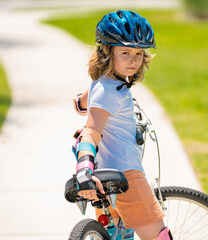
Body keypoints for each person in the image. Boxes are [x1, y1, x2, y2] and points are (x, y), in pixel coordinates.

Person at [73, 10, 173, 240]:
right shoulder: (108, 90)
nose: (133, 60)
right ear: (107, 53)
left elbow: (85, 103)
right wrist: (83, 170)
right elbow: (91, 131)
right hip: (127, 175)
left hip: (105, 176)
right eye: (125, 52)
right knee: (159, 237)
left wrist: (81, 103)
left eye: (139, 53)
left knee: (118, 236)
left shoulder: (105, 84)